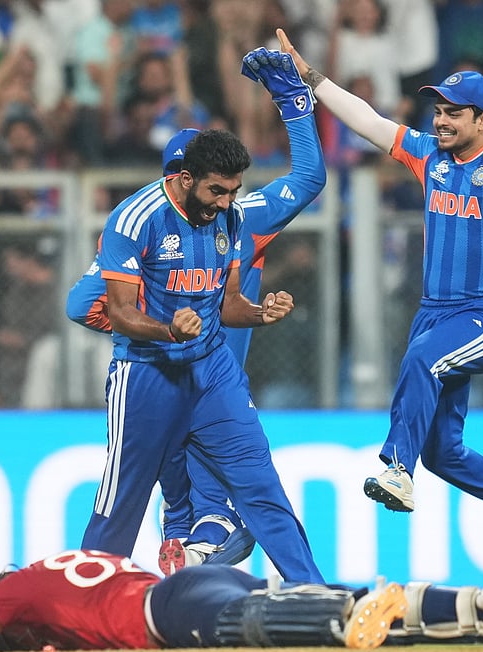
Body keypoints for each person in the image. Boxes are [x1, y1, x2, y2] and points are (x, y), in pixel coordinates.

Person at [272, 30, 483, 560]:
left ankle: (396, 468)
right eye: (438, 111)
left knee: (422, 360)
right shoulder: (428, 156)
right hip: (434, 315)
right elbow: (369, 121)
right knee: (442, 453)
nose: (440, 120)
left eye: (453, 113)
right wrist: (312, 78)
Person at [68, 50, 326, 574]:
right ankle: (94, 596)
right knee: (125, 505)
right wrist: (162, 329)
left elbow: (226, 304)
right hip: (150, 374)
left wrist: (259, 313)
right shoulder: (136, 220)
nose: (225, 201)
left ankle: (312, 593)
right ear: (183, 179)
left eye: (232, 190)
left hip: (214, 372)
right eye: (216, 189)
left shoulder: (236, 215)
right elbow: (104, 308)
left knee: (259, 487)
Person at [0, 549, 483, 652]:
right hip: (194, 581)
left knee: (247, 626)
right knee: (341, 592)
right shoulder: (71, 567)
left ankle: (341, 623)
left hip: (166, 613)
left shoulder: (14, 591)